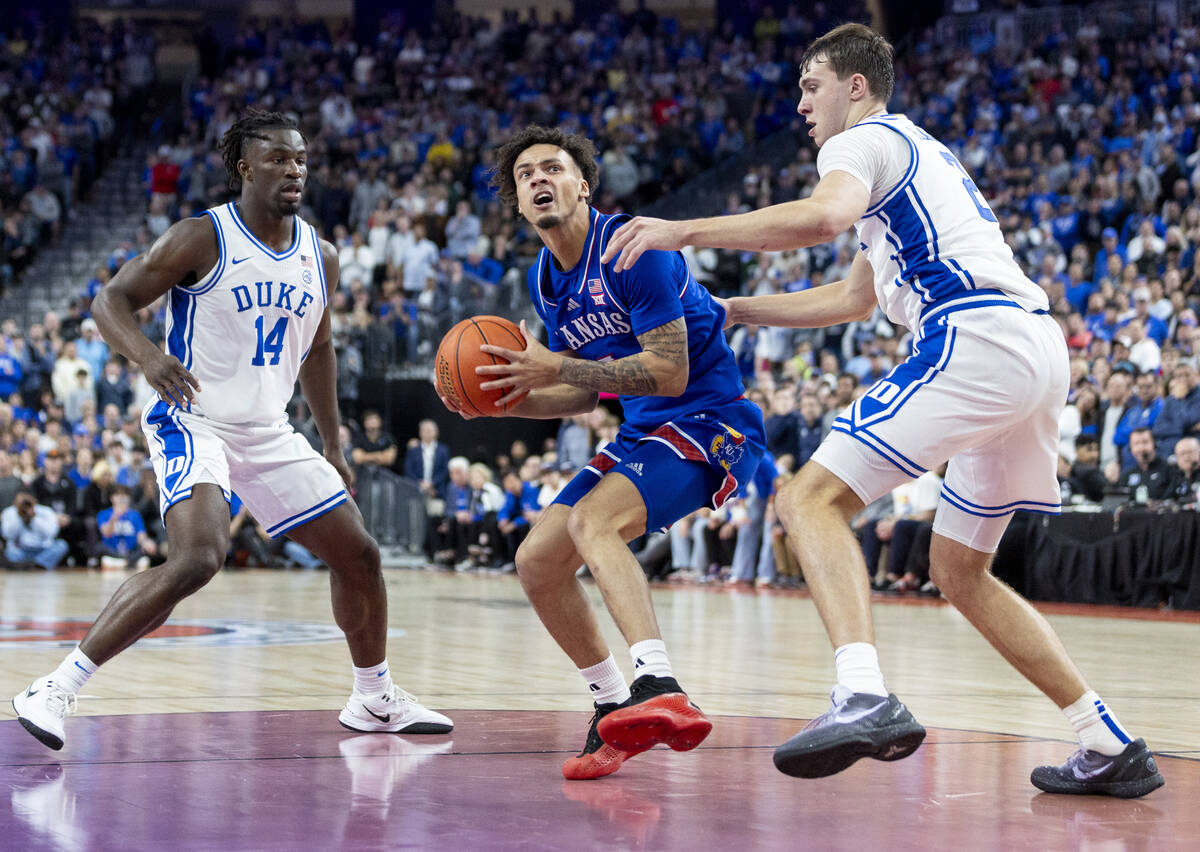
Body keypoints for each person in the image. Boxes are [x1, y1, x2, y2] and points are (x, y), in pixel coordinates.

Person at [600, 24, 1162, 797]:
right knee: (959, 571)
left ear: (854, 87)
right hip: (1032, 348)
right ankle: (1107, 741)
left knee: (806, 499)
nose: (800, 103)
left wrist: (681, 229)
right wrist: (736, 309)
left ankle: (862, 693)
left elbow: (820, 218)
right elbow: (851, 297)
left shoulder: (859, 145)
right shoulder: (913, 156)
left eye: (810, 85)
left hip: (973, 336)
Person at [12, 111, 451, 752]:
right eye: (278, 158)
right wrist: (149, 357)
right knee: (199, 558)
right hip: (194, 418)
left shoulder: (319, 255)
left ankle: (374, 696)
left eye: (300, 159)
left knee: (359, 556)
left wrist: (332, 442)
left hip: (268, 430)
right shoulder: (203, 236)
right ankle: (57, 687)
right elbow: (109, 301)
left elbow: (320, 348)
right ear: (245, 167)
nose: (294, 169)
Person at [439, 125, 765, 780]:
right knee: (536, 561)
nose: (537, 179)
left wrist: (552, 363)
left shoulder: (632, 250)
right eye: (525, 174)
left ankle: (660, 682)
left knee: (594, 522)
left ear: (582, 185)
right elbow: (582, 395)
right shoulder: (547, 280)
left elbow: (668, 374)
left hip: (713, 423)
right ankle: (613, 702)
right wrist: (502, 400)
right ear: (517, 201)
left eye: (551, 168)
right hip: (645, 433)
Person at [2, 491, 69, 569]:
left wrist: (33, 517)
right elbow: (7, 535)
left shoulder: (46, 511)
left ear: (35, 501)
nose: (25, 505)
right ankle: (32, 564)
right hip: (21, 550)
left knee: (62, 545)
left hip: (43, 549)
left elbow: (51, 533)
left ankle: (37, 564)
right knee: (10, 552)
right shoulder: (9, 512)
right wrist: (19, 516)